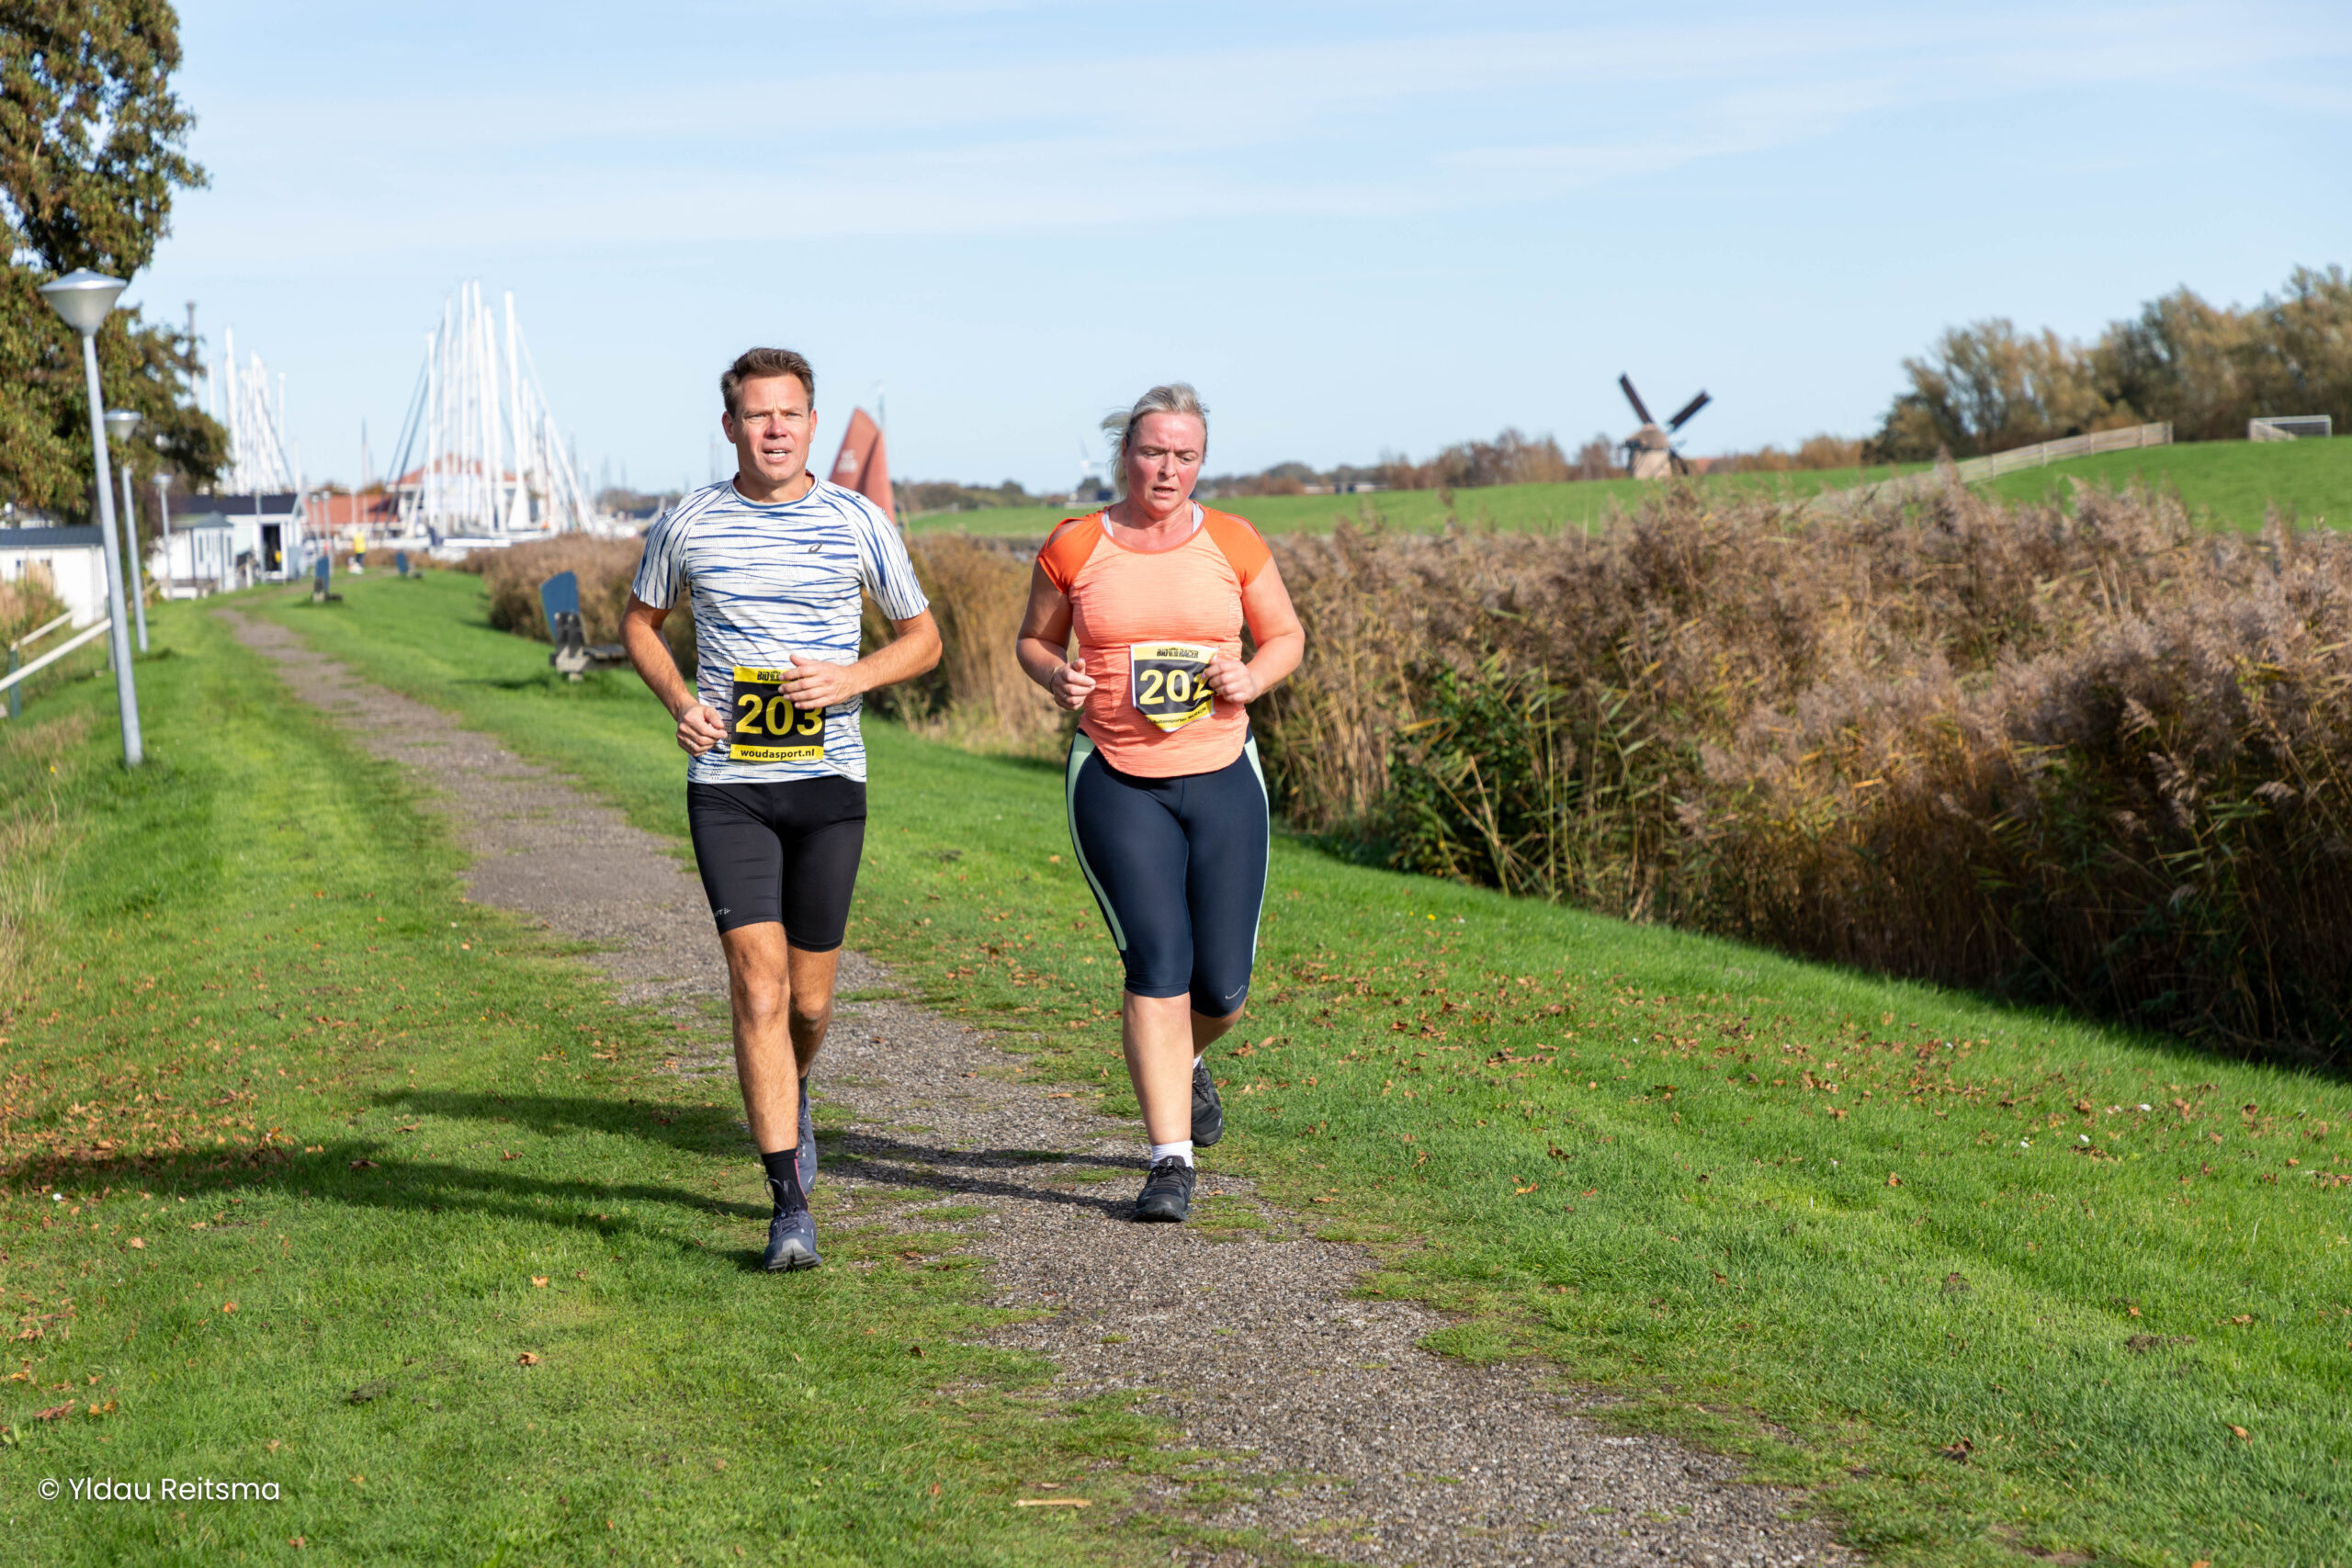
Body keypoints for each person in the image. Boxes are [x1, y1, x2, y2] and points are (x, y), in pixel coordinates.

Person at [621, 347, 940, 1271]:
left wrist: (851, 676)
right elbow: (639, 623)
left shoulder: (857, 520)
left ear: (810, 423)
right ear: (730, 426)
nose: (774, 429)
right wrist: (680, 702)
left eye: (789, 414)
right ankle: (787, 1204)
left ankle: (792, 1089)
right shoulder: (689, 522)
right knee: (756, 987)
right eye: (757, 414)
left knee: (808, 1001)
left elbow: (923, 639)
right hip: (729, 786)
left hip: (830, 785)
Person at [1014, 384, 1305, 1223]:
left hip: (1222, 772)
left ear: (1200, 461)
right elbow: (1034, 640)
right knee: (1157, 962)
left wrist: (1252, 675)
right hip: (1114, 775)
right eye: (1152, 452)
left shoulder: (1234, 540)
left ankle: (1186, 1060)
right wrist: (1056, 673)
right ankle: (1169, 1161)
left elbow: (1286, 636)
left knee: (1222, 988)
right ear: (1125, 454)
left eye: (1185, 455)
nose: (1168, 469)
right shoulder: (1076, 543)